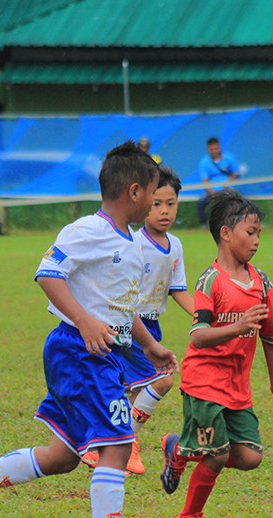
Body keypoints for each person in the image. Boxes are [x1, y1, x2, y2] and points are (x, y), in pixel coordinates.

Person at [0, 141, 176, 518]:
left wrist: (149, 344)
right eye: (154, 194)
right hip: (79, 352)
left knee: (62, 457)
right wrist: (84, 322)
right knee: (118, 447)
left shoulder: (131, 243)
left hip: (103, 354)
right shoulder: (89, 229)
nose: (157, 203)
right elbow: (48, 273)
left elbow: (120, 305)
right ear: (135, 192)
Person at [159, 189, 273, 518]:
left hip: (237, 387)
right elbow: (198, 336)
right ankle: (188, 516)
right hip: (203, 383)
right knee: (216, 456)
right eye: (251, 232)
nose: (257, 241)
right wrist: (236, 326)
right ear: (225, 233)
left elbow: (271, 337)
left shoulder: (262, 284)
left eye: (259, 233)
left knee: (250, 457)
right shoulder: (211, 282)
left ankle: (179, 448)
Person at [82, 164, 193, 475]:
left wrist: (202, 314)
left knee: (129, 390)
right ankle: (126, 442)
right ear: (142, 201)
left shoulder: (176, 246)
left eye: (170, 204)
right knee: (164, 379)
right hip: (128, 322)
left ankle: (103, 446)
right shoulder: (133, 242)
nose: (164, 211)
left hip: (151, 325)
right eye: (156, 203)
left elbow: (178, 289)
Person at [196, 137, 240, 228]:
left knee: (238, 201)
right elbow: (205, 180)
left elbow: (236, 173)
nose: (214, 151)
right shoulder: (204, 162)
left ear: (219, 147)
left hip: (228, 188)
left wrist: (227, 184)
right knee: (201, 201)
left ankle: (236, 223)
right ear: (208, 149)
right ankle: (203, 224)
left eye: (216, 148)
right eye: (212, 149)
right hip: (212, 190)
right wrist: (212, 193)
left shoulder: (229, 157)